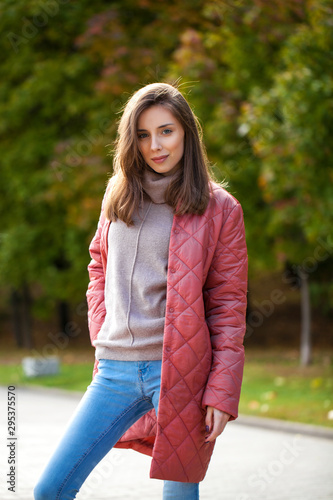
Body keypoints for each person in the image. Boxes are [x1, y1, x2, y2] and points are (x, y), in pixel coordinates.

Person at [34, 82, 248, 500]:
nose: (156, 145)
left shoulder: (220, 208)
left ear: (187, 132)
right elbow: (98, 265)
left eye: (166, 131)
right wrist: (103, 327)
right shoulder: (118, 194)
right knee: (50, 489)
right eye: (144, 134)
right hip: (114, 371)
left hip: (181, 370)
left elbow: (227, 304)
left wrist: (222, 391)